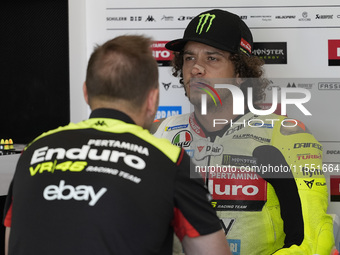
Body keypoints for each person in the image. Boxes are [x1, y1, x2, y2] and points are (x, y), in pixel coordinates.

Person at [3, 35, 231, 255]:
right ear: (152, 100)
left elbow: (11, 244)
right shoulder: (170, 159)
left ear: (86, 93)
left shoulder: (32, 151)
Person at [152, 9, 335, 255]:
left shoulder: (285, 136)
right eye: (189, 58)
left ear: (240, 73)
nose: (196, 68)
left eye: (212, 58)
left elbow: (314, 241)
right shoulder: (163, 132)